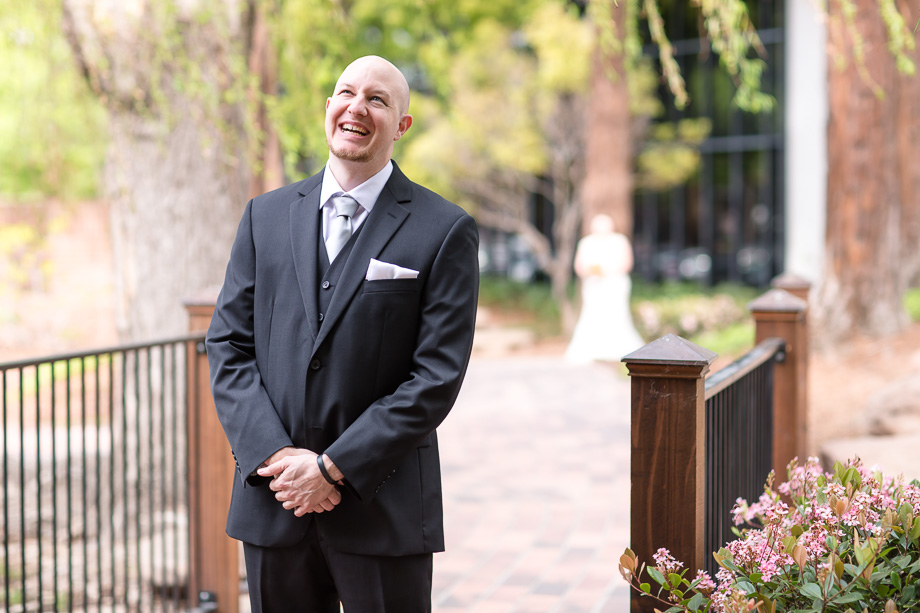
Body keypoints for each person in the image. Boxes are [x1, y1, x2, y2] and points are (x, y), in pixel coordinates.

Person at [206, 55, 479, 613]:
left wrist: (333, 469)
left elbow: (435, 377)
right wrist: (279, 459)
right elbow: (228, 346)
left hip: (382, 510)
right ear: (328, 107)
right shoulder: (264, 216)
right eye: (347, 93)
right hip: (275, 502)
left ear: (401, 125)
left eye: (377, 99)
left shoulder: (445, 229)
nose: (358, 107)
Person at [564, 214, 644, 364]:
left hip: (614, 284)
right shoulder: (586, 242)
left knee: (617, 314)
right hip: (593, 285)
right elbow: (579, 266)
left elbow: (627, 264)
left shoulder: (620, 241)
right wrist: (591, 272)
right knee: (592, 315)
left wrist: (607, 272)